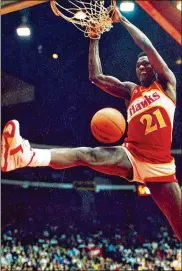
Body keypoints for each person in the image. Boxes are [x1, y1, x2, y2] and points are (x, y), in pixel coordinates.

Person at [1, 8, 181, 241]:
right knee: (89, 155)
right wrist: (94, 37)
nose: (143, 66)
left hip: (161, 166)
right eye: (139, 65)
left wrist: (123, 20)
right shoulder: (130, 91)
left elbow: (147, 45)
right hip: (132, 155)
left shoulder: (166, 85)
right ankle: (23, 156)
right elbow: (96, 77)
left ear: (156, 69)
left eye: (147, 64)